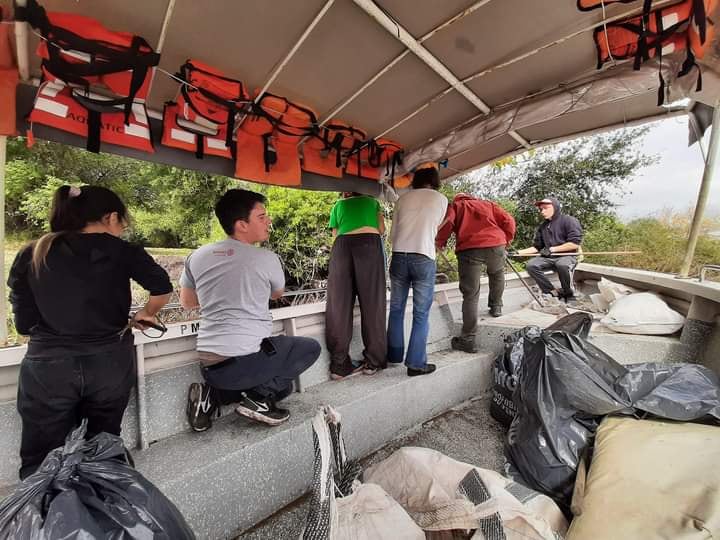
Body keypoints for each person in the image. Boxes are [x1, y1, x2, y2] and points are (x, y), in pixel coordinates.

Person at [7, 185, 172, 479]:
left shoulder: (33, 252)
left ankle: (46, 517)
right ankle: (100, 511)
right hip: (109, 364)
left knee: (42, 458)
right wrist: (146, 315)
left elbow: (23, 322)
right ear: (110, 217)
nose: (121, 229)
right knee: (103, 446)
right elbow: (162, 288)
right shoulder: (122, 251)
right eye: (122, 222)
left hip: (49, 368)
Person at [181, 189, 321, 431]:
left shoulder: (196, 256)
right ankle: (258, 400)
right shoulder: (266, 258)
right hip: (246, 363)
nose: (269, 221)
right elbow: (277, 294)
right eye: (262, 217)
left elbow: (187, 302)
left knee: (282, 387)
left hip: (210, 366)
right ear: (241, 225)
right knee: (309, 349)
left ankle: (210, 397)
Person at [387, 166, 448, 376]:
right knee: (421, 313)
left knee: (396, 308)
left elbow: (393, 233)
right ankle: (415, 363)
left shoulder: (402, 199)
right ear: (435, 181)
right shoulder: (440, 199)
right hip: (423, 255)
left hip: (398, 255)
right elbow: (435, 225)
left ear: (415, 180)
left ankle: (393, 354)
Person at [436, 194, 516, 353]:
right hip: (495, 244)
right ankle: (496, 306)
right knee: (497, 274)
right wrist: (506, 239)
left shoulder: (456, 206)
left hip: (469, 249)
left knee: (471, 293)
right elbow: (508, 220)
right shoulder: (488, 204)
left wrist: (440, 242)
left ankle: (467, 339)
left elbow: (448, 223)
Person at [325, 192, 387, 380]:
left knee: (339, 304)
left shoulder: (338, 206)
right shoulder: (372, 202)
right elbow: (382, 229)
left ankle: (339, 365)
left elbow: (335, 235)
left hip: (342, 248)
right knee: (373, 303)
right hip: (369, 244)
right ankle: (373, 361)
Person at [514, 197, 583, 301]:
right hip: (549, 257)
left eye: (545, 208)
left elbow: (574, 244)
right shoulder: (543, 226)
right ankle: (551, 292)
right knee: (531, 265)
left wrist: (552, 249)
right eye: (541, 209)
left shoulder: (569, 221)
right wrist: (517, 252)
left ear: (555, 207)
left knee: (562, 265)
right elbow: (536, 247)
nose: (542, 211)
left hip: (567, 256)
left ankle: (569, 294)